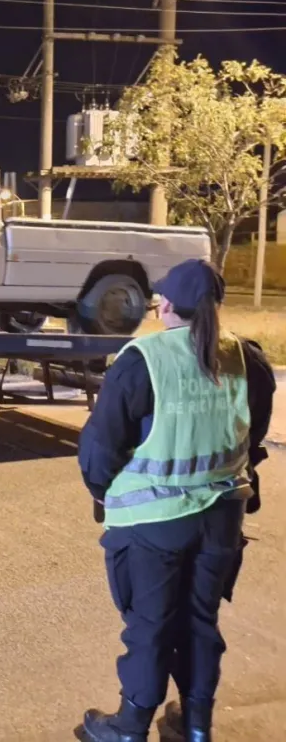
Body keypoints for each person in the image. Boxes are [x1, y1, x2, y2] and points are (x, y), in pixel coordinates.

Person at [76, 258, 277, 742]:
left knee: (150, 625)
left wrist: (104, 495)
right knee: (200, 622)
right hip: (222, 520)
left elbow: (100, 450)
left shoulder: (141, 361)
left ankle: (130, 726)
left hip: (152, 523)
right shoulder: (248, 359)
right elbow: (255, 433)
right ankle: (194, 726)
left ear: (164, 304)